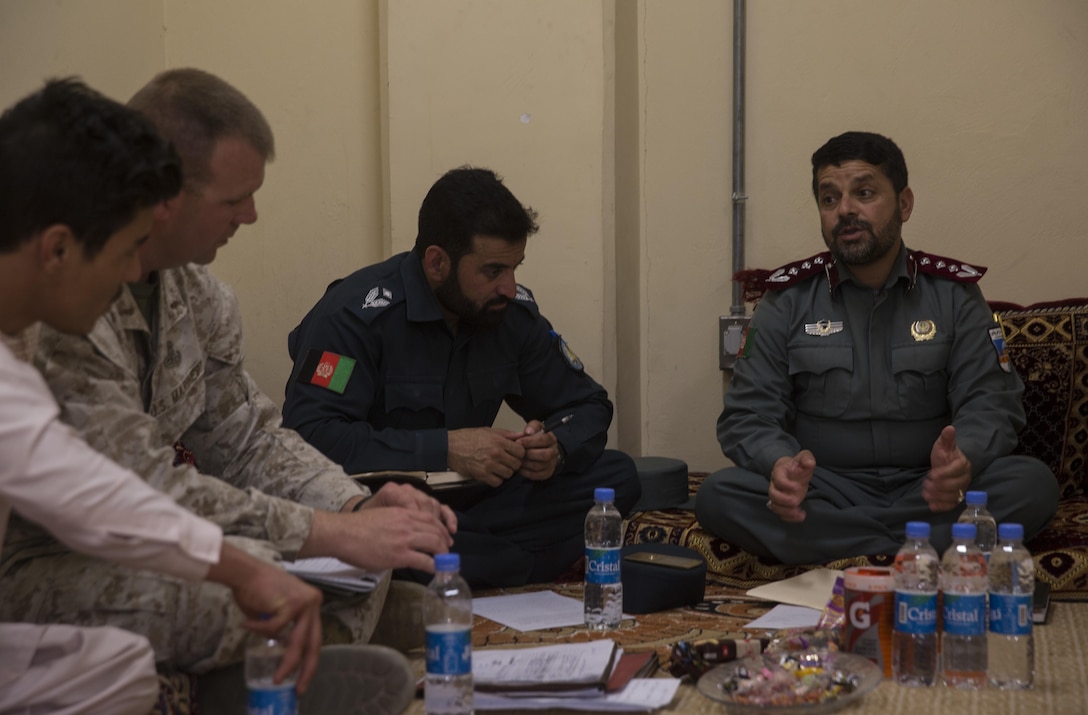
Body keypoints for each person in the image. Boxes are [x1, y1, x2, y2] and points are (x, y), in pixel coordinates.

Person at [2, 68, 455, 674]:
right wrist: (318, 534)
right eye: (232, 199)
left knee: (358, 550)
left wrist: (351, 511)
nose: (251, 217)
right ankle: (310, 662)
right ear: (163, 197)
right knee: (249, 582)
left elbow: (246, 436)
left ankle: (321, 653)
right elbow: (125, 493)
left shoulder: (199, 295)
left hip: (145, 526)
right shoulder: (61, 301)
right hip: (52, 554)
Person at [0, 78, 323, 714]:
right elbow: (90, 495)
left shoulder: (17, 340)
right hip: (38, 571)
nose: (129, 273)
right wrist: (253, 567)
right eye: (124, 252)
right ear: (58, 248)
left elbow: (238, 435)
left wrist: (339, 520)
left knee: (115, 670)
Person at [696, 130, 1059, 563]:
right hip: (825, 489)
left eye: (863, 193)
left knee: (1031, 484)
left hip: (930, 490)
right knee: (720, 494)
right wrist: (780, 466)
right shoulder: (787, 300)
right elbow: (748, 414)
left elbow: (992, 402)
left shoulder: (954, 295)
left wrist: (964, 458)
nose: (845, 209)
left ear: (904, 204)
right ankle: (915, 548)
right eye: (829, 199)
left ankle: (845, 547)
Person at [282, 166, 641, 587]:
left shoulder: (508, 315)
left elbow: (588, 404)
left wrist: (556, 448)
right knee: (399, 535)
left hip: (476, 502)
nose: (510, 286)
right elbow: (310, 437)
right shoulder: (353, 317)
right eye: (493, 271)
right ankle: (515, 563)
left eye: (515, 267)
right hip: (386, 504)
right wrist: (446, 448)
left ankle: (462, 563)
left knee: (616, 477)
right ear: (437, 262)